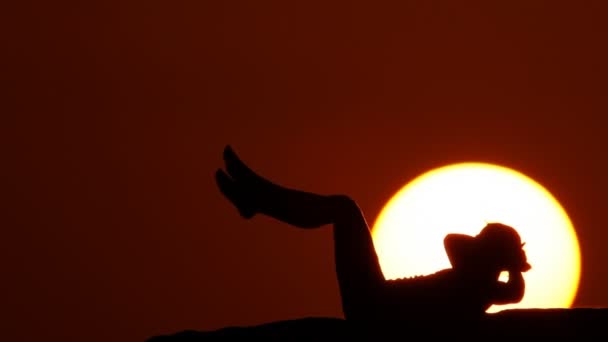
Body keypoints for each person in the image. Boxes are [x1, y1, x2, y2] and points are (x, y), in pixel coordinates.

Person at [215, 145, 531, 324]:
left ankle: (258, 199)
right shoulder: (482, 284)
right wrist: (511, 261)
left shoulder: (478, 285)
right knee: (343, 209)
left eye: (482, 238)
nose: (473, 240)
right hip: (373, 300)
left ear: (489, 251)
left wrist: (510, 260)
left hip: (372, 301)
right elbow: (457, 243)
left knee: (344, 208)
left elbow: (455, 242)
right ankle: (258, 199)